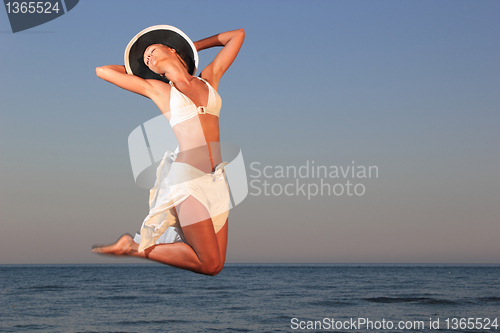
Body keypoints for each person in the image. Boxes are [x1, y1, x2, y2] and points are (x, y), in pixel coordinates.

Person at [92, 27, 245, 276]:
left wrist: (192, 46)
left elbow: (237, 35)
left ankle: (134, 247)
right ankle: (133, 247)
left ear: (172, 49)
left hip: (217, 180)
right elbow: (104, 71)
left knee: (215, 266)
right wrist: (139, 71)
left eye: (151, 50)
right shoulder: (160, 91)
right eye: (145, 61)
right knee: (206, 262)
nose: (148, 58)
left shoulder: (209, 78)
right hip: (188, 180)